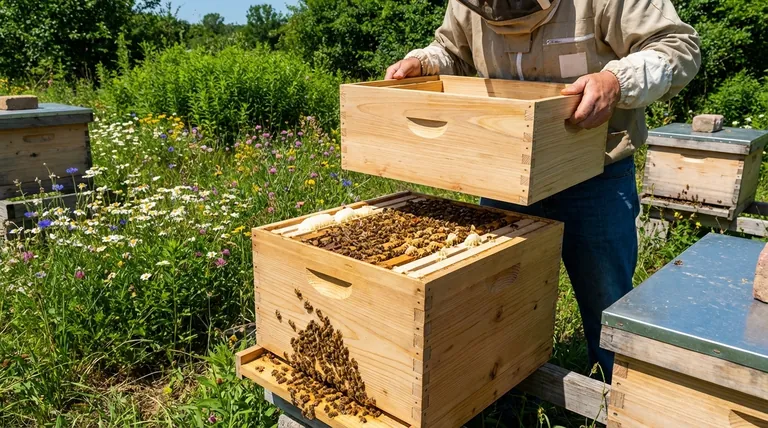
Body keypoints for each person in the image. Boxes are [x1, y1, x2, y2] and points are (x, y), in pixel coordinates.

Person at [385, 0, 701, 384]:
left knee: (606, 296)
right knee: (499, 291)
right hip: (503, 170)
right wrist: (427, 63)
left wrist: (617, 81)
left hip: (593, 169)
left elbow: (678, 47)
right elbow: (453, 51)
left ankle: (615, 391)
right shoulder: (468, 5)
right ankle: (498, 385)